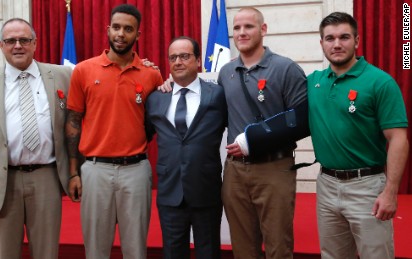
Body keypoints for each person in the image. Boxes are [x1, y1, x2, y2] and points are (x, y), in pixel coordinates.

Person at [0, 18, 72, 259]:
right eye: (10, 41)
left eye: (24, 40)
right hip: (2, 181)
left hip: (46, 177)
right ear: (1, 45)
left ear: (35, 43)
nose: (18, 45)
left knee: (47, 254)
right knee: (6, 254)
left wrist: (143, 66)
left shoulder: (62, 76)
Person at [65, 4, 164, 259]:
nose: (121, 34)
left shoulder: (152, 75)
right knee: (96, 249)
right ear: (108, 29)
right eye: (117, 27)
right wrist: (74, 172)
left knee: (136, 250)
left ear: (138, 35)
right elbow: (73, 122)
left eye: (128, 29)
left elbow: (157, 121)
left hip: (136, 170)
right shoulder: (83, 70)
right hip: (95, 170)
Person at [308, 12, 409, 259]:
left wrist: (390, 191)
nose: (337, 44)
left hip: (367, 187)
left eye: (344, 37)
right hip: (327, 185)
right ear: (321, 43)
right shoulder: (314, 82)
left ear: (357, 41)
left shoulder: (380, 82)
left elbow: (398, 138)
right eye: (329, 38)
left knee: (376, 255)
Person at [218, 7, 307, 258]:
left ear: (263, 29)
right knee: (243, 247)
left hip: (274, 168)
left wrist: (256, 140)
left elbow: (301, 121)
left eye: (249, 27)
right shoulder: (226, 72)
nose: (242, 33)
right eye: (237, 28)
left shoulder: (285, 69)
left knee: (278, 246)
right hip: (235, 171)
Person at [145, 36, 227, 259]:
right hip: (170, 192)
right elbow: (142, 135)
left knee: (208, 253)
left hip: (206, 191)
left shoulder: (218, 95)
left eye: (184, 56)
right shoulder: (156, 98)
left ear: (198, 61)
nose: (178, 61)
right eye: (173, 57)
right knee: (172, 253)